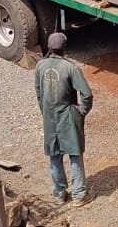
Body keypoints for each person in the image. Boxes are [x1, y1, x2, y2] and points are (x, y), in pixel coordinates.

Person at [35, 32, 93, 206]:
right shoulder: (70, 68)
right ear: (64, 48)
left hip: (49, 117)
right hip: (68, 115)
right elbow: (87, 94)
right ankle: (79, 195)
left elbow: (39, 92)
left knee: (54, 155)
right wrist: (82, 111)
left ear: (49, 47)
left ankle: (59, 194)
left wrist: (45, 112)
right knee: (75, 153)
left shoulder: (40, 66)